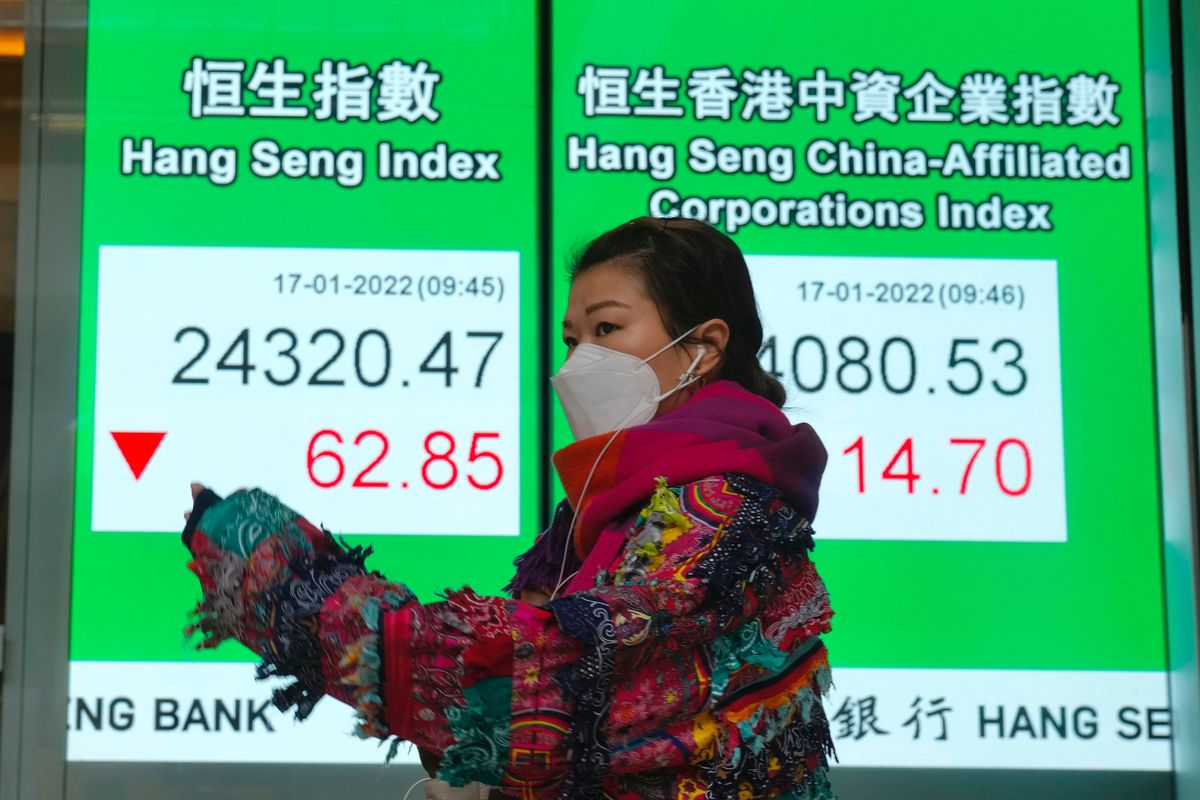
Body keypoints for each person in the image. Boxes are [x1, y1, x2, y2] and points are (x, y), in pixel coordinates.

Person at [181, 217, 836, 800]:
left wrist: (269, 561)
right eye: (572, 338)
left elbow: (533, 689)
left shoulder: (723, 510)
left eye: (607, 329)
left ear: (701, 348)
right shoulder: (608, 514)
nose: (578, 362)